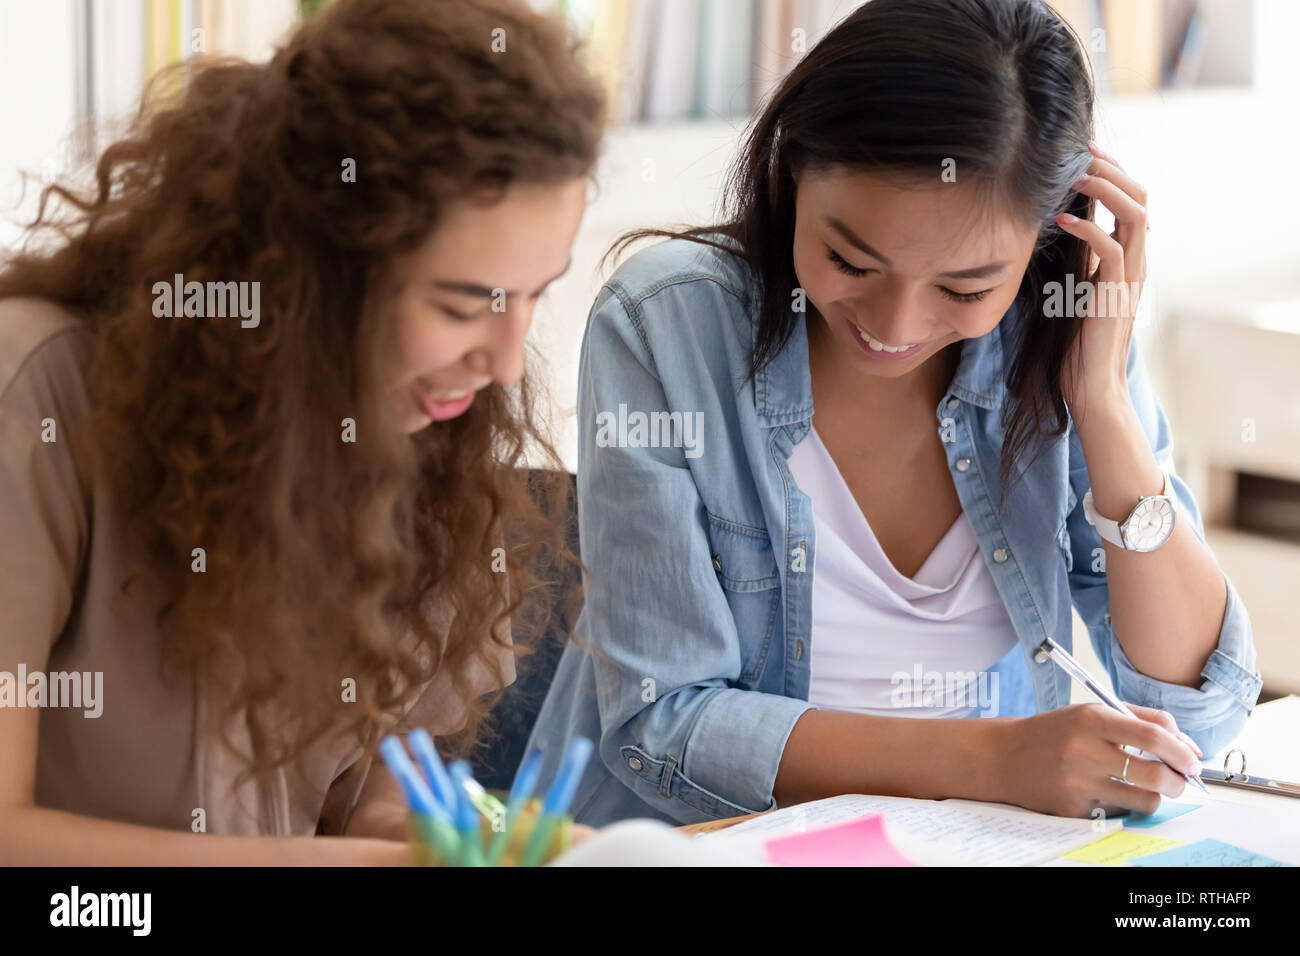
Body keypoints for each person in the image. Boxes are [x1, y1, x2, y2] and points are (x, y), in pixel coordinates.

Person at [523, 0, 1261, 827]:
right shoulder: (666, 324)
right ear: (792, 170)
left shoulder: (1061, 329)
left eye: (966, 287)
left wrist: (1104, 405)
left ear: (1048, 245)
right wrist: (994, 760)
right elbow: (663, 727)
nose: (894, 327)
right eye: (849, 259)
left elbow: (1199, 710)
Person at [0, 0, 604, 863]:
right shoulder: (37, 394)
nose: (506, 365)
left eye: (534, 292)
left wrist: (485, 849)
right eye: (462, 303)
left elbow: (376, 817)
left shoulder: (434, 458)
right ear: (308, 267)